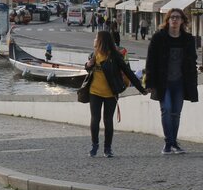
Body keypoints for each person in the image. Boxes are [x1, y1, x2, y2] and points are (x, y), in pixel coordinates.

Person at [144, 8, 199, 155]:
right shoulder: (159, 38)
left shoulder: (188, 39)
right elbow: (150, 61)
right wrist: (149, 82)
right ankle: (169, 143)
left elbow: (192, 61)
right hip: (163, 82)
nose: (174, 20)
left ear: (182, 21)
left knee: (176, 113)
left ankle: (173, 143)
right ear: (167, 20)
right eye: (172, 17)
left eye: (177, 17)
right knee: (166, 110)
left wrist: (193, 78)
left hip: (180, 82)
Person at [84, 30, 146, 158]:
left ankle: (108, 148)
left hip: (110, 93)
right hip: (94, 92)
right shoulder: (94, 55)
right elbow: (88, 68)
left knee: (108, 120)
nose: (94, 39)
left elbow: (128, 72)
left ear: (101, 40)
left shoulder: (115, 56)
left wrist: (141, 89)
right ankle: (94, 146)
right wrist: (88, 65)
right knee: (95, 119)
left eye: (96, 37)